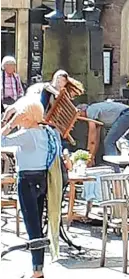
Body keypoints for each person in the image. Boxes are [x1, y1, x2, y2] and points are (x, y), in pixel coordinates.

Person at [1, 98, 62, 278]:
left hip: (27, 179)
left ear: (26, 116)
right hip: (41, 178)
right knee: (38, 224)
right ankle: (38, 267)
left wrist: (10, 122)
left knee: (32, 226)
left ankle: (37, 270)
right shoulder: (45, 132)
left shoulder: (28, 135)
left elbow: (1, 141)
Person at [77, 101, 129, 170]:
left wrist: (88, 158)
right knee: (108, 141)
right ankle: (114, 168)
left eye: (79, 116)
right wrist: (92, 156)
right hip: (127, 113)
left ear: (81, 111)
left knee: (109, 142)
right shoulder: (96, 114)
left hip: (125, 114)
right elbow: (96, 139)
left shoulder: (90, 111)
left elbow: (92, 138)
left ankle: (115, 170)